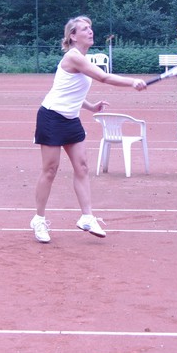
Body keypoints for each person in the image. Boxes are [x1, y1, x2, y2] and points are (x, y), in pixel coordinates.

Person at [31, 16, 147, 243]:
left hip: (71, 119)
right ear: (73, 36)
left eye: (90, 28)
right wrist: (132, 82)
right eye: (84, 29)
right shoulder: (73, 57)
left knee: (82, 167)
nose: (90, 31)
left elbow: (69, 90)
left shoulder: (82, 58)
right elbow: (103, 77)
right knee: (50, 170)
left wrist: (91, 106)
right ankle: (39, 220)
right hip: (51, 117)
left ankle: (87, 217)